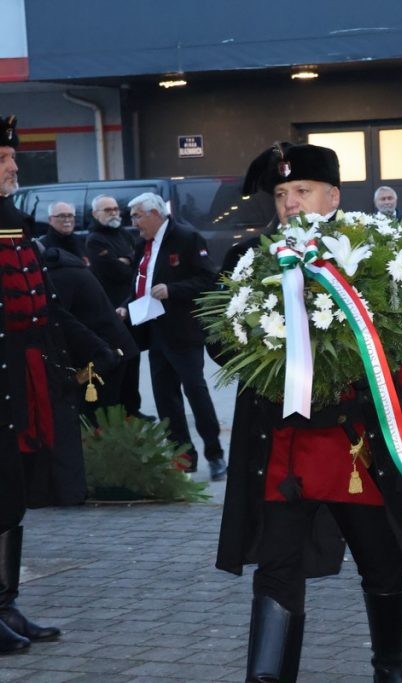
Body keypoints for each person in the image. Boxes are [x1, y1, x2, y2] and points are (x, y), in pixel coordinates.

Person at [215, 142, 402, 682]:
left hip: (354, 448)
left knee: (382, 560)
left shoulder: (371, 258)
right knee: (277, 566)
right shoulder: (249, 261)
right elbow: (219, 339)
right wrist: (265, 355)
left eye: (301, 191)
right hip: (282, 448)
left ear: (333, 195)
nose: (290, 203)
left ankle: (390, 669)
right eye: (281, 194)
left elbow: (399, 339)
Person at [0, 114, 118, 654]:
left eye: (11, 160)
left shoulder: (13, 222)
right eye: (4, 160)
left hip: (28, 379)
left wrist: (97, 345)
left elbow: (42, 306)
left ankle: (4, 605)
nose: (12, 169)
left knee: (12, 495)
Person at [118, 192, 226, 480]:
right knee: (165, 399)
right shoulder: (143, 244)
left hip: (183, 331)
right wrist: (127, 306)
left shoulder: (187, 237)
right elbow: (140, 282)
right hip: (155, 332)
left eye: (137, 216)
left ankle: (215, 454)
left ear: (154, 214)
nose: (133, 223)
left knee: (195, 392)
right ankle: (182, 457)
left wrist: (172, 290)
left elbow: (208, 279)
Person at [86, 195, 151, 421]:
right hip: (112, 310)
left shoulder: (125, 233)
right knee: (118, 362)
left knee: (134, 359)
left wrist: (126, 261)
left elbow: (137, 266)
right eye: (107, 210)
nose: (113, 213)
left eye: (115, 209)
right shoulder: (94, 240)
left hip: (132, 304)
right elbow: (114, 270)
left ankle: (133, 409)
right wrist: (126, 262)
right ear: (95, 214)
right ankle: (117, 413)